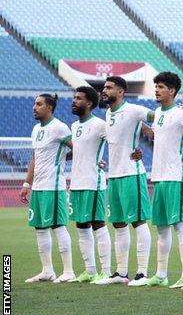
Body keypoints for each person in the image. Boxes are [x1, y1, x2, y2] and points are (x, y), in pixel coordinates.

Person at [94, 76, 154, 286]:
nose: (104, 90)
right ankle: (120, 273)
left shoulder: (134, 110)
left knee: (138, 221)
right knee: (119, 224)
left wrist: (144, 151)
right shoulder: (108, 113)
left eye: (109, 87)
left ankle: (143, 273)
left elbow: (160, 120)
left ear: (120, 92)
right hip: (115, 175)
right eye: (104, 87)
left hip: (132, 174)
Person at [139, 72, 183, 289]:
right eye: (156, 87)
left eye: (161, 87)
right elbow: (158, 136)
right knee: (161, 228)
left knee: (179, 225)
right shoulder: (159, 114)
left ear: (172, 91)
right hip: (159, 177)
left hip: (176, 177)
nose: (157, 90)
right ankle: (161, 274)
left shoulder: (182, 113)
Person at [21, 93, 74, 283]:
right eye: (35, 103)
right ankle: (47, 271)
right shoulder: (36, 129)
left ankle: (68, 271)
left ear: (49, 108)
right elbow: (34, 159)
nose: (34, 107)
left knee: (58, 226)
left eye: (39, 104)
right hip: (39, 187)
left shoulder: (59, 127)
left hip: (54, 186)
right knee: (40, 228)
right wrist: (27, 184)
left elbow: (77, 147)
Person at [67, 86, 111, 284]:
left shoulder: (100, 125)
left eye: (79, 98)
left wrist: (107, 161)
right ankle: (90, 271)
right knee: (81, 226)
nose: (74, 101)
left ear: (89, 103)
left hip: (93, 182)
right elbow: (79, 152)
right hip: (76, 182)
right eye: (74, 98)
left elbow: (119, 141)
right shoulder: (74, 126)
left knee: (98, 225)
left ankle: (107, 272)